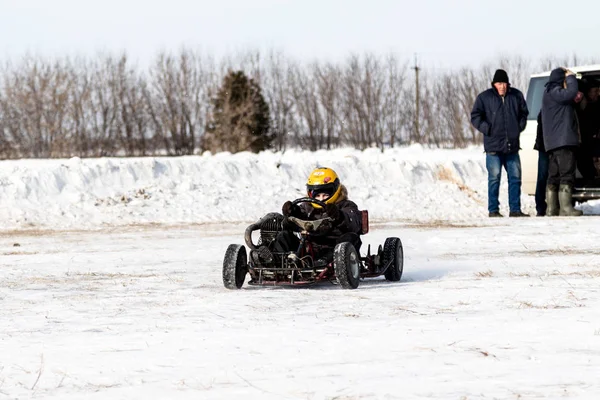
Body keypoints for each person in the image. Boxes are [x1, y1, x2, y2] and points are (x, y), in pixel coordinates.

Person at [471, 69, 530, 218]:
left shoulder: (516, 95)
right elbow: (475, 116)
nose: (502, 86)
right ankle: (493, 210)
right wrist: (487, 128)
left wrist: (518, 127)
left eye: (504, 83)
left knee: (515, 178)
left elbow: (524, 113)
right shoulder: (484, 98)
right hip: (493, 147)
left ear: (507, 84)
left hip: (512, 146)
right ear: (494, 84)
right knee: (494, 179)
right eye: (499, 83)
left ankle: (515, 210)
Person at [273, 167, 363, 264]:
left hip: (336, 249)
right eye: (317, 195)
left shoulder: (346, 205)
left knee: (350, 237)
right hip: (311, 248)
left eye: (325, 195)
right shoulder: (307, 207)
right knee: (284, 235)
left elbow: (353, 221)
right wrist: (292, 212)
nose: (321, 199)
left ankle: (323, 262)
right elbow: (296, 221)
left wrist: (339, 215)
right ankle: (276, 262)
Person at [541, 67, 583, 217]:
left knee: (554, 175)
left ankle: (552, 209)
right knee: (566, 173)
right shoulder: (555, 92)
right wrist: (571, 77)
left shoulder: (548, 93)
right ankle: (566, 208)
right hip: (563, 140)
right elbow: (571, 93)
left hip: (553, 142)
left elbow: (572, 97)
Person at [575, 78, 600, 180]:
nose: (596, 94)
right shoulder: (583, 105)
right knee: (583, 162)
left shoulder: (598, 103)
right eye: (594, 92)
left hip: (596, 139)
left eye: (597, 91)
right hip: (586, 140)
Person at [534, 111, 549, 216]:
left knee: (544, 176)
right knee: (542, 176)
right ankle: (540, 207)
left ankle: (543, 206)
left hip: (547, 145)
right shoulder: (545, 110)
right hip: (544, 146)